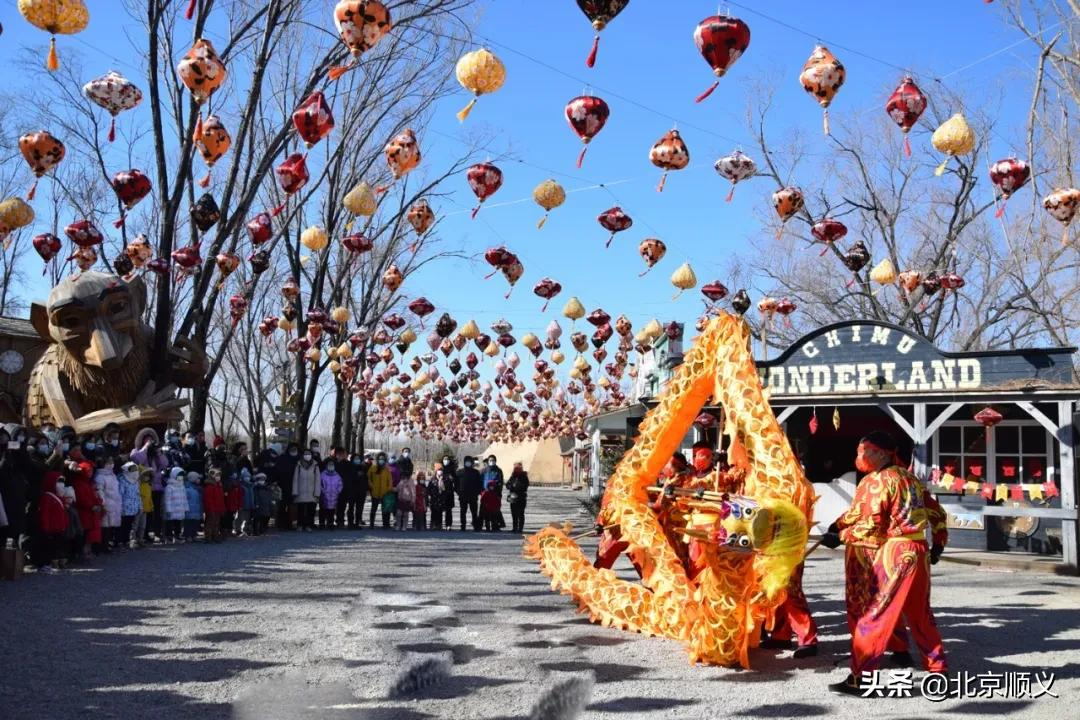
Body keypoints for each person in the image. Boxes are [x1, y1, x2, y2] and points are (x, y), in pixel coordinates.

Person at [823, 431, 949, 696]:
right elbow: (937, 512)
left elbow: (872, 525)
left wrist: (841, 536)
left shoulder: (876, 480)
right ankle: (938, 672)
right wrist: (938, 544)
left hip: (894, 552)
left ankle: (862, 677)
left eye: (864, 451)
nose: (859, 456)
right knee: (920, 614)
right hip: (918, 550)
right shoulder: (910, 479)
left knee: (875, 612)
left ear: (881, 453)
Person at [130, 429, 168, 542]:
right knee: (144, 512)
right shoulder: (137, 451)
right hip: (144, 486)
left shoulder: (155, 454)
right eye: (147, 440)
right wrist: (145, 448)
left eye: (151, 440)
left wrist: (159, 453)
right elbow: (136, 459)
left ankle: (157, 533)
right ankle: (143, 534)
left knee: (156, 511)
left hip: (157, 487)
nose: (150, 442)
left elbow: (165, 464)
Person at [66, 442, 100, 561]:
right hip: (84, 512)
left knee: (86, 534)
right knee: (81, 534)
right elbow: (81, 499)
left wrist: (97, 503)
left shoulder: (86, 483)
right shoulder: (80, 483)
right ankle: (80, 553)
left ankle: (84, 552)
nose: (90, 473)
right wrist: (92, 506)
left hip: (88, 512)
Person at [93, 453, 121, 551]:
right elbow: (99, 491)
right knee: (103, 526)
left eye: (112, 462)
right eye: (109, 462)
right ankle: (102, 546)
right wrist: (103, 503)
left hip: (113, 503)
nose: (111, 464)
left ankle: (107, 544)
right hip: (106, 504)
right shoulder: (100, 476)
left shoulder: (112, 475)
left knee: (109, 526)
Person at [293, 449, 321, 532]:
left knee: (311, 510)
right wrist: (295, 491)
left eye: (309, 454)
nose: (307, 455)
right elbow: (295, 479)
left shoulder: (315, 465)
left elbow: (318, 480)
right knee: (300, 510)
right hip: (300, 492)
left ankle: (309, 525)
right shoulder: (298, 465)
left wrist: (317, 492)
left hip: (311, 492)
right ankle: (300, 525)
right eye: (305, 454)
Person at [118, 462, 143, 549]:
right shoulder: (122, 480)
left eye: (135, 469)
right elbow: (120, 494)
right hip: (124, 507)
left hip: (133, 508)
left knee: (129, 525)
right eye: (132, 469)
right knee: (122, 525)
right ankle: (120, 542)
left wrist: (140, 506)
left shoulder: (136, 481)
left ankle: (127, 542)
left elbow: (138, 494)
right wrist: (120, 507)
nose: (134, 471)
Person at [276, 443, 300, 531]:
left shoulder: (300, 458)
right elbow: (277, 470)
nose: (293, 450)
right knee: (282, 505)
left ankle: (293, 523)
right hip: (284, 484)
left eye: (295, 448)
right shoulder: (282, 458)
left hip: (297, 485)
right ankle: (281, 524)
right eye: (292, 449)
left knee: (294, 506)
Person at [456, 456, 483, 531]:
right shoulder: (459, 472)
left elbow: (479, 483)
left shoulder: (476, 472)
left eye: (469, 461)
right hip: (463, 495)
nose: (468, 463)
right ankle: (463, 525)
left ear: (472, 462)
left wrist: (477, 492)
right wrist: (458, 491)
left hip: (473, 495)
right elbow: (456, 483)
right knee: (463, 511)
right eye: (466, 461)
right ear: (464, 462)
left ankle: (476, 525)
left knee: (474, 512)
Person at [163, 468, 189, 544]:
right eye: (179, 475)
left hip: (180, 509)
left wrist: (186, 508)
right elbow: (167, 500)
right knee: (170, 524)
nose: (181, 477)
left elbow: (185, 498)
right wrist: (168, 510)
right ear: (174, 475)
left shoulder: (182, 486)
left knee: (178, 524)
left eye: (182, 475)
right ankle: (169, 538)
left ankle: (177, 537)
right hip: (172, 510)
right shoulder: (169, 487)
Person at [368, 453, 393, 529]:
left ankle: (386, 524)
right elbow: (369, 478)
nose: (381, 460)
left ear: (385, 460)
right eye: (380, 459)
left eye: (383, 459)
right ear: (377, 459)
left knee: (385, 509)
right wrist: (371, 486)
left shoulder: (387, 469)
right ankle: (371, 524)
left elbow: (390, 480)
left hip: (384, 492)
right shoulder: (373, 468)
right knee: (373, 508)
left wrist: (388, 489)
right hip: (375, 492)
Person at [481, 455, 506, 530]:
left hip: (495, 493)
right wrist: (482, 491)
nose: (491, 462)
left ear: (495, 461)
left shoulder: (498, 470)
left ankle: (495, 525)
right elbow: (480, 481)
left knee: (495, 510)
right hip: (486, 493)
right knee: (485, 510)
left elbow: (501, 482)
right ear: (488, 461)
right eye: (490, 460)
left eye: (493, 460)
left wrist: (498, 490)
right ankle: (487, 525)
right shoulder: (484, 470)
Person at [202, 469, 226, 543]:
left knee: (216, 523)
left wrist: (222, 508)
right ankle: (208, 537)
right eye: (217, 476)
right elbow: (208, 500)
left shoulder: (219, 485)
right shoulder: (209, 486)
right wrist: (210, 509)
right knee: (210, 523)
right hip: (212, 508)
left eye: (219, 476)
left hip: (218, 508)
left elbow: (221, 499)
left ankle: (215, 536)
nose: (218, 477)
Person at [506, 462, 530, 534]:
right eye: (515, 467)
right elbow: (507, 484)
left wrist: (517, 487)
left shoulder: (524, 476)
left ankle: (520, 528)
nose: (516, 469)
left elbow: (525, 486)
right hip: (513, 497)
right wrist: (511, 486)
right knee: (514, 513)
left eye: (518, 467)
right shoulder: (513, 476)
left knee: (520, 513)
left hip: (521, 497)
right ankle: (514, 528)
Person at [319, 458, 343, 530]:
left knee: (331, 511)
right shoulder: (322, 474)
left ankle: (330, 523)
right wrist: (323, 491)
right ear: (326, 465)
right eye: (329, 464)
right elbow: (319, 484)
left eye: (332, 464)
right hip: (324, 496)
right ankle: (322, 523)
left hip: (334, 496)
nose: (331, 466)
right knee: (323, 510)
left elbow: (340, 484)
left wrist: (337, 491)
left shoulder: (337, 475)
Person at [135, 468, 153, 547]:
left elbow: (149, 498)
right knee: (135, 525)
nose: (147, 477)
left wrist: (151, 506)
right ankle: (133, 540)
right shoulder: (138, 485)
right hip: (138, 508)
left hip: (145, 509)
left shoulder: (148, 486)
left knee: (142, 525)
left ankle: (140, 539)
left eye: (148, 476)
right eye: (145, 475)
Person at [184, 472, 203, 541]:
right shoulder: (187, 488)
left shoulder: (198, 489)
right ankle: (187, 535)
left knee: (195, 523)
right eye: (198, 478)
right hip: (189, 509)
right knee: (188, 523)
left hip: (196, 509)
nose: (199, 480)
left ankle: (194, 535)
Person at [436, 464, 456, 531]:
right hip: (438, 498)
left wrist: (446, 492)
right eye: (438, 470)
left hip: (447, 497)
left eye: (441, 470)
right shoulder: (434, 479)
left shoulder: (447, 478)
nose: (440, 471)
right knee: (439, 512)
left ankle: (448, 525)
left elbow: (451, 488)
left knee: (448, 512)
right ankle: (439, 524)